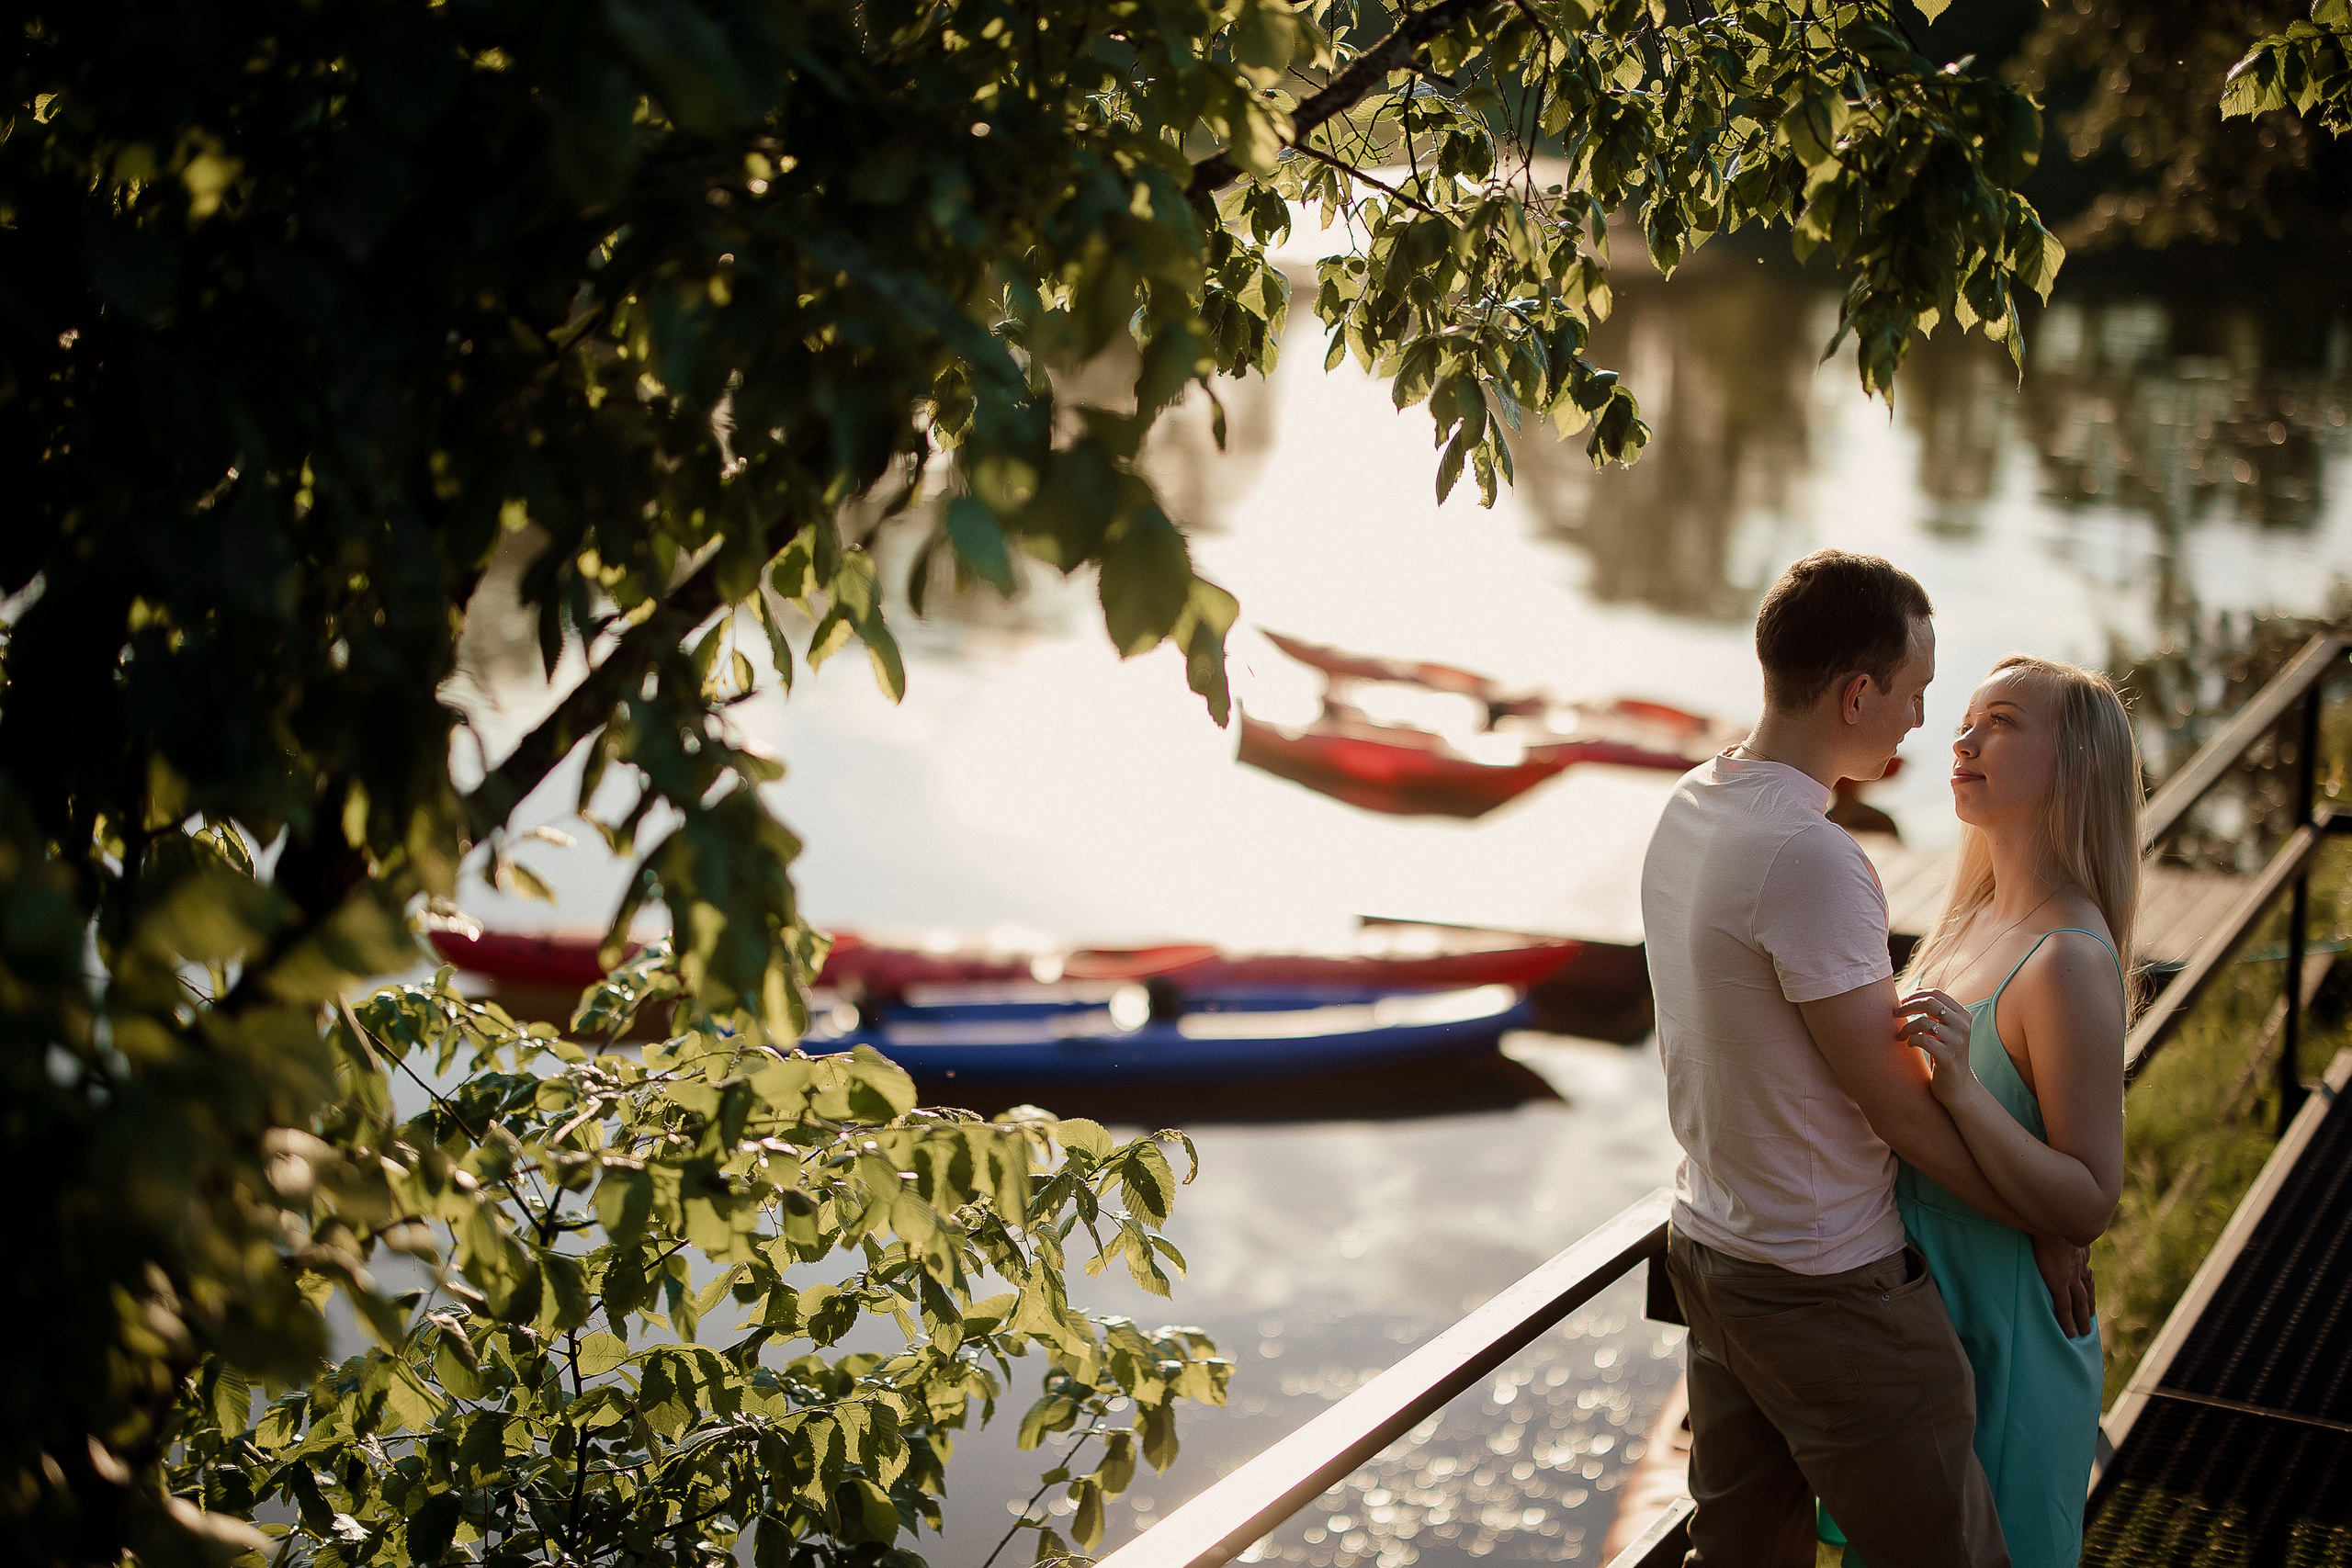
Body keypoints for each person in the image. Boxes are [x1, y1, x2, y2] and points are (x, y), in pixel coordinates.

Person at [1642, 549, 2093, 1568]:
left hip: (1712, 1247)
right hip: (1824, 1284)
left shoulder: (1690, 803)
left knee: (1743, 1553)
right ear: (1856, 693)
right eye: (1915, 693)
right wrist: (2047, 1220)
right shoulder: (1811, 857)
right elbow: (1896, 1109)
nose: (1923, 724)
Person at [1834, 655, 2133, 1568]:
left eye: (1999, 722)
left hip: (2002, 1345)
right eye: (1963, 719)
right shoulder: (1964, 923)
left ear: (2073, 764)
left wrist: (1963, 1089)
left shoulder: (2067, 960)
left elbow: (2088, 1200)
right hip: (1919, 1326)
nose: (1959, 740)